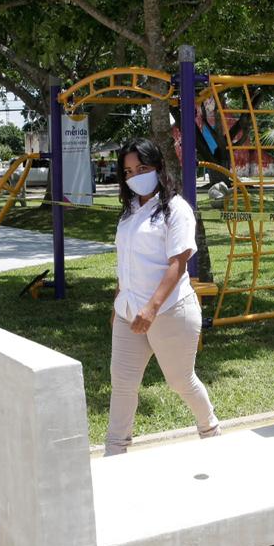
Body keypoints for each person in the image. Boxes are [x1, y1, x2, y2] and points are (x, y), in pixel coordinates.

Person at [106, 138, 220, 455]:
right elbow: (126, 262)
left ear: (158, 167)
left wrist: (151, 309)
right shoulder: (128, 212)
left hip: (169, 311)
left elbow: (178, 263)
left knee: (180, 381)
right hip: (129, 311)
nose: (135, 176)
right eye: (128, 171)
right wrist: (119, 302)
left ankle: (211, 431)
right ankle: (115, 451)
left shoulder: (176, 209)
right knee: (123, 385)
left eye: (142, 168)